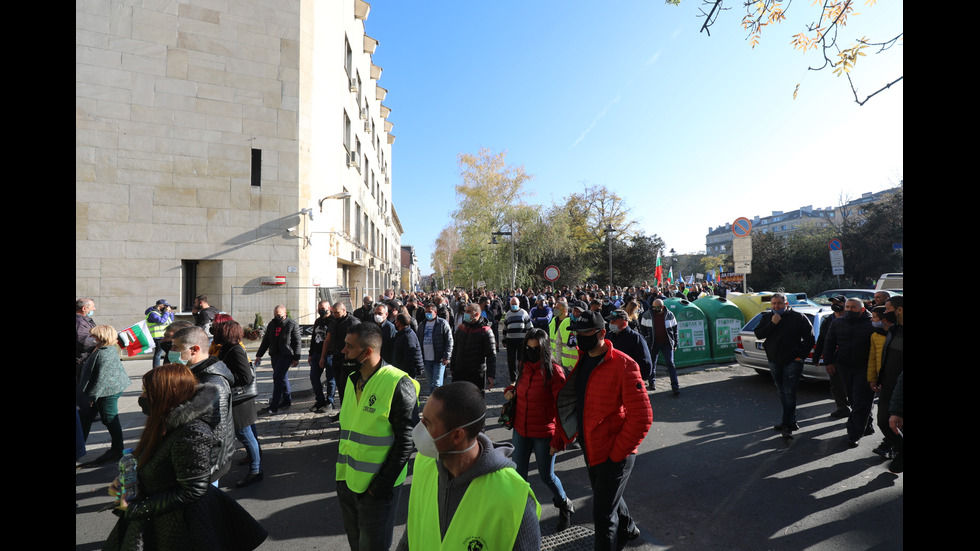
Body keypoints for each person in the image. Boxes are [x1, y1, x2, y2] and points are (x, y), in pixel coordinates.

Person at [103, 364, 268, 551]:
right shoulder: (162, 423)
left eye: (146, 391)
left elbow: (192, 491)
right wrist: (129, 480)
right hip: (158, 517)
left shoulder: (191, 433)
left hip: (181, 526)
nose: (142, 397)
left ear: (167, 394)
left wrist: (137, 509)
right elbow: (156, 465)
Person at [400, 381, 541, 551]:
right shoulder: (424, 463)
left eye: (428, 423)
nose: (418, 429)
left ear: (457, 435)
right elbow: (412, 532)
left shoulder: (515, 498)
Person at [554, 311, 652, 551]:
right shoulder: (583, 358)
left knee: (602, 517)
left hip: (614, 453)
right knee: (606, 497)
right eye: (576, 333)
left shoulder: (624, 365)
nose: (579, 337)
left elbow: (642, 417)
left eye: (585, 333)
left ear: (601, 333)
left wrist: (617, 453)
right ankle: (628, 528)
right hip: (591, 447)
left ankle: (619, 534)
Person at [336, 323, 419, 551]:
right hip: (347, 482)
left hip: (376, 491)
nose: (343, 351)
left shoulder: (399, 384)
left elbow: (407, 441)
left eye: (349, 347)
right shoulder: (352, 378)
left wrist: (380, 487)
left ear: (368, 352)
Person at [504, 328, 574, 532]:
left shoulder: (554, 372)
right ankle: (522, 515)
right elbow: (520, 390)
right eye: (529, 347)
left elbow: (562, 409)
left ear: (544, 349)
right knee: (519, 476)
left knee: (546, 475)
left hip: (544, 432)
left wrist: (558, 439)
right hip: (521, 429)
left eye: (537, 348)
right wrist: (511, 392)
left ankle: (564, 504)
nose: (532, 351)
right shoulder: (524, 366)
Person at [171, 326, 236, 484]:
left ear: (194, 349)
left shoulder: (213, 384)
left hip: (203, 465)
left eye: (176, 347)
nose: (171, 351)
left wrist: (204, 472)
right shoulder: (195, 373)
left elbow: (218, 433)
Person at [754, 293, 815, 439]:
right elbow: (759, 334)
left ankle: (787, 425)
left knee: (789, 392)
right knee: (782, 392)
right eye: (773, 304)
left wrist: (801, 356)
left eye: (779, 304)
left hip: (792, 361)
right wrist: (773, 323)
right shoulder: (768, 317)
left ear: (786, 303)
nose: (776, 306)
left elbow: (810, 338)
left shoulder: (798, 317)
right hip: (774, 360)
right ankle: (791, 420)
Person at [212, 320, 263, 488]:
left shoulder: (235, 350)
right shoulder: (226, 348)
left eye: (218, 331)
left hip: (240, 401)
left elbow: (245, 377)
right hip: (234, 400)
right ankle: (254, 465)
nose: (214, 333)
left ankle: (256, 470)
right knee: (245, 434)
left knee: (245, 435)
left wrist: (225, 377)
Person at [823, 297, 875, 447]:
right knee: (853, 400)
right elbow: (829, 343)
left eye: (854, 307)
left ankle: (853, 434)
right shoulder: (837, 323)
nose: (850, 310)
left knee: (860, 401)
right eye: (848, 307)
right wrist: (828, 362)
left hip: (865, 368)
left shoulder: (871, 324)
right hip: (844, 367)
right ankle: (868, 425)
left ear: (862, 309)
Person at [78, 324, 131, 465]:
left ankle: (118, 450)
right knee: (87, 417)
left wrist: (91, 397)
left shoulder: (105, 352)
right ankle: (79, 448)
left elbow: (102, 379)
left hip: (108, 391)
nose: (91, 337)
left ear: (102, 337)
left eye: (94, 335)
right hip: (103, 390)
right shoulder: (101, 348)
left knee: (109, 418)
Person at [871, 297, 903, 461]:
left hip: (901, 389)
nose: (884, 313)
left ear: (900, 310)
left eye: (888, 309)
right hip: (888, 386)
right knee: (883, 422)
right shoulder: (893, 330)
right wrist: (878, 378)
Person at [255, 305, 301, 414]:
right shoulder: (272, 324)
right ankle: (286, 400)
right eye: (275, 315)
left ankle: (274, 406)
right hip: (275, 354)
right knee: (282, 377)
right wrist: (259, 355)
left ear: (285, 313)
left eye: (279, 315)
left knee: (277, 377)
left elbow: (297, 342)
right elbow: (266, 340)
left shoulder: (292, 325)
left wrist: (296, 358)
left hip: (286, 355)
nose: (277, 317)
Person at [813, 295, 850, 419]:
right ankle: (842, 408)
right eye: (833, 302)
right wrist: (817, 356)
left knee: (852, 386)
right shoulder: (828, 320)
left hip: (850, 358)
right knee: (836, 385)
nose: (835, 304)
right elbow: (822, 339)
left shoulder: (852, 318)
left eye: (838, 302)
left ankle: (859, 413)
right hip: (833, 359)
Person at [449, 302, 497, 393]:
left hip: (476, 373)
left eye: (468, 311)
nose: (465, 313)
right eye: (465, 311)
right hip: (459, 371)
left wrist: (491, 374)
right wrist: (452, 367)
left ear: (477, 314)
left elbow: (491, 355)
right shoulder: (461, 328)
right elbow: (455, 349)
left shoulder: (485, 331)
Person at [639, 298, 680, 394]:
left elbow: (675, 330)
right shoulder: (647, 315)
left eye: (656, 307)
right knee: (652, 364)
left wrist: (675, 343)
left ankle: (675, 386)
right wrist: (647, 339)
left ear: (662, 307)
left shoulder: (670, 315)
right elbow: (642, 329)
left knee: (670, 363)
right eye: (653, 306)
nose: (654, 309)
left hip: (667, 343)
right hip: (653, 344)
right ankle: (652, 383)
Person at [324, 302, 361, 406]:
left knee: (348, 385)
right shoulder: (333, 321)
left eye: (337, 312)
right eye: (333, 312)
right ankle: (343, 409)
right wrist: (323, 356)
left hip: (349, 359)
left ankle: (353, 409)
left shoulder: (353, 322)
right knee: (340, 385)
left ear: (344, 310)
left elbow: (359, 342)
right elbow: (328, 339)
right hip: (336, 357)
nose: (334, 314)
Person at [608, 309, 654, 386]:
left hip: (629, 380)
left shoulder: (636, 338)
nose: (611, 323)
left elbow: (645, 362)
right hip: (612, 378)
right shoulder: (609, 335)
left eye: (614, 321)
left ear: (624, 322)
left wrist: (638, 379)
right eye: (610, 321)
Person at [418, 302, 453, 394]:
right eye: (426, 312)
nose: (427, 314)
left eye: (430, 312)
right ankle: (435, 401)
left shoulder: (442, 323)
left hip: (439, 358)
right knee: (431, 383)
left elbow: (449, 340)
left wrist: (447, 356)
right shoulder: (422, 325)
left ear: (435, 312)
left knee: (437, 383)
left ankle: (436, 404)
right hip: (426, 359)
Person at [310, 300, 334, 412]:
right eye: (320, 309)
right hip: (316, 353)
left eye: (323, 308)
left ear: (329, 308)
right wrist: (310, 353)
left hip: (330, 354)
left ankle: (330, 402)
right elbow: (313, 338)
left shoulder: (333, 320)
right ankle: (320, 400)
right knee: (314, 377)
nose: (321, 311)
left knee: (330, 379)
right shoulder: (318, 321)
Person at [503, 296, 532, 383]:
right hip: (510, 341)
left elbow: (530, 327)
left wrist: (530, 340)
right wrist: (503, 340)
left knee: (521, 360)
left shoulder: (524, 313)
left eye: (515, 304)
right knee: (511, 361)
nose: (514, 305)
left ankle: (521, 377)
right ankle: (513, 379)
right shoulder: (508, 314)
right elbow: (504, 328)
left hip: (522, 341)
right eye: (512, 304)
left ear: (519, 304)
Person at [549, 300, 578, 374]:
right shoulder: (553, 321)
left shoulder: (570, 323)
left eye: (557, 308)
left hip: (567, 363)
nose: (555, 310)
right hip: (553, 359)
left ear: (564, 310)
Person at [392, 312, 424, 379]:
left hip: (408, 372)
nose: (395, 323)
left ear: (399, 322)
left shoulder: (408, 336)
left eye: (396, 321)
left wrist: (403, 371)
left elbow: (409, 356)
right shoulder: (401, 334)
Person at [145, 299, 174, 367]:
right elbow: (161, 321)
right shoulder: (152, 313)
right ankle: (156, 369)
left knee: (169, 352)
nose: (166, 308)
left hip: (165, 336)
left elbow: (171, 320)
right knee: (158, 353)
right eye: (165, 306)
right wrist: (166, 312)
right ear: (161, 306)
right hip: (158, 336)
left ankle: (166, 367)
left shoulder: (161, 313)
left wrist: (170, 312)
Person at [76, 298, 98, 378]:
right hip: (81, 360)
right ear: (84, 308)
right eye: (92, 307)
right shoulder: (79, 322)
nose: (94, 309)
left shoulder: (82, 320)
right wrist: (102, 340)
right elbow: (83, 341)